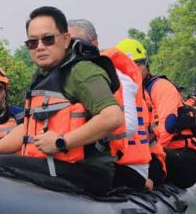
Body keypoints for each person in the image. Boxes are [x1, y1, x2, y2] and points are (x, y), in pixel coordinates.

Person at [0, 6, 124, 196]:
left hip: (88, 171)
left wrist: (62, 142)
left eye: (48, 39)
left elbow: (113, 116)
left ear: (66, 39)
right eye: (32, 42)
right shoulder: (44, 75)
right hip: (55, 165)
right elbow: (27, 130)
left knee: (0, 165)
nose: (40, 47)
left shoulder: (82, 71)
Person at [68, 19, 161, 191]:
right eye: (67, 42)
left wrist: (67, 140)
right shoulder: (69, 75)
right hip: (93, 159)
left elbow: (128, 126)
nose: (72, 46)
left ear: (93, 42)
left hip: (123, 164)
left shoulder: (115, 75)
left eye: (76, 40)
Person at [116, 38, 196, 189]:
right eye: (124, 68)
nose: (131, 72)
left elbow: (168, 126)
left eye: (136, 65)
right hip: (152, 151)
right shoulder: (128, 91)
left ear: (145, 65)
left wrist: (142, 154)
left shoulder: (160, 87)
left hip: (181, 157)